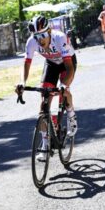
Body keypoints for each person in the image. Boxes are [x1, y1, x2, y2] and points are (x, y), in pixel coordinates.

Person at [15, 15, 78, 160]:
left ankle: (71, 116)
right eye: (37, 37)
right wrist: (22, 82)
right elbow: (27, 63)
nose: (40, 40)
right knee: (44, 104)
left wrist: (63, 85)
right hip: (51, 64)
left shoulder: (59, 38)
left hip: (66, 64)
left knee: (64, 90)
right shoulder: (32, 42)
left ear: (49, 31)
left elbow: (69, 68)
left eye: (43, 35)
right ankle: (45, 145)